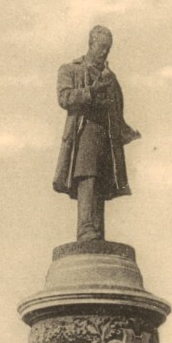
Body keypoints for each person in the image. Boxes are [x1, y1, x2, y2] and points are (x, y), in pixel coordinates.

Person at [53, 25, 140, 242]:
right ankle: (85, 230)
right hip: (83, 135)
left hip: (105, 139)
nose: (104, 53)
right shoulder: (70, 69)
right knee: (87, 179)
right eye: (101, 47)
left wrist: (126, 130)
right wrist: (91, 92)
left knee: (101, 183)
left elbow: (117, 109)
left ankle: (96, 233)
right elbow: (64, 98)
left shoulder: (111, 77)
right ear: (91, 44)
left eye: (108, 49)